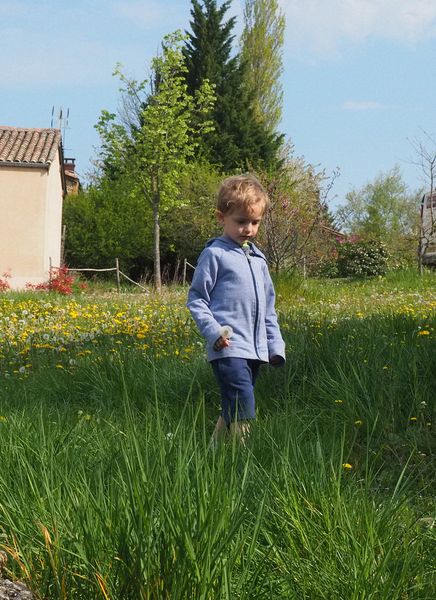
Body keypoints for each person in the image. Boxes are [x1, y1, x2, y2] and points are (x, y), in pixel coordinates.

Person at [187, 174, 285, 444]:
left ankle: (213, 452)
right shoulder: (214, 255)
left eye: (255, 222)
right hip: (227, 346)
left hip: (255, 350)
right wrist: (214, 332)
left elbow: (268, 308)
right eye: (241, 222)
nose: (249, 229)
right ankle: (244, 461)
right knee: (243, 401)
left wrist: (274, 346)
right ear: (221, 217)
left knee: (234, 402)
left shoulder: (258, 260)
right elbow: (197, 299)